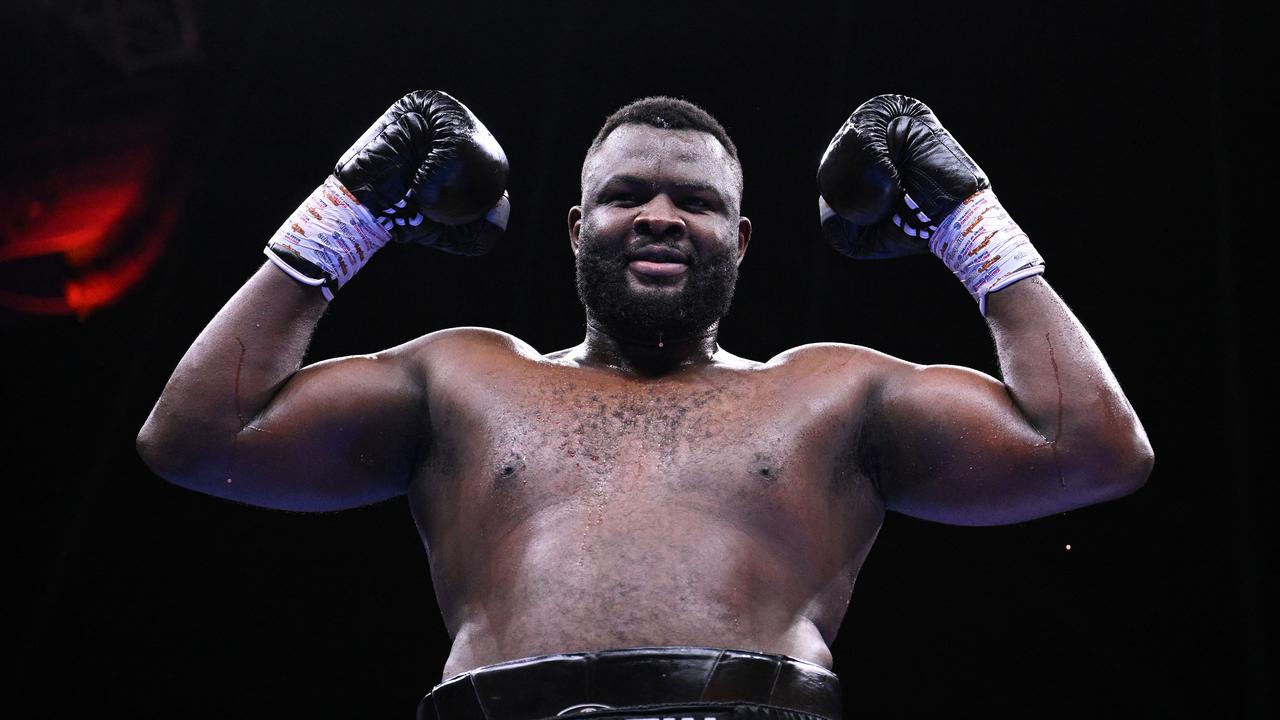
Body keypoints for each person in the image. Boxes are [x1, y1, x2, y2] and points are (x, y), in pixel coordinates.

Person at [137, 90, 1154, 720]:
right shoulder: (462, 375)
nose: (660, 215)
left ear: (740, 239)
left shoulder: (830, 388)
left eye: (696, 201)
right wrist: (348, 212)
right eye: (628, 195)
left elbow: (1089, 448)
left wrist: (964, 222)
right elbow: (196, 435)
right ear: (578, 228)